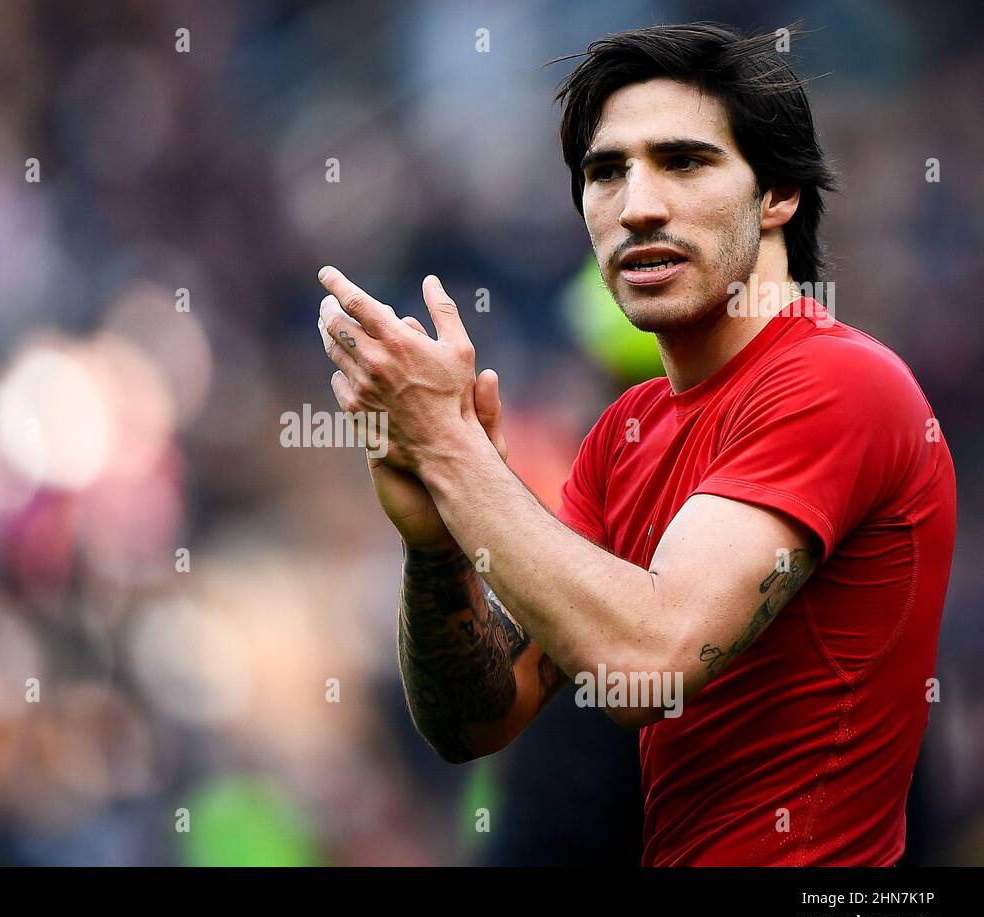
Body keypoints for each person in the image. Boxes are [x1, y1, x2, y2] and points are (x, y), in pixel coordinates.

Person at [315, 22, 956, 866]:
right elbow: (478, 720)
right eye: (605, 171)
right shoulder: (624, 437)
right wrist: (434, 541)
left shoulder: (840, 383)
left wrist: (450, 449)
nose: (637, 204)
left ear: (778, 195)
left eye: (683, 161)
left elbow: (648, 659)